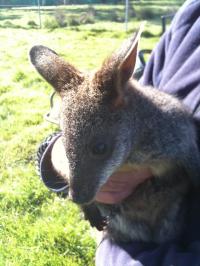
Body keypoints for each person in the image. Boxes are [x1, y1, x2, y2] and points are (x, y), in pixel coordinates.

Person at [37, 0, 200, 264]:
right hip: (122, 230)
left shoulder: (160, 128)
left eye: (101, 148)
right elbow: (64, 148)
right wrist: (60, 156)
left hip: (167, 229)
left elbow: (187, 151)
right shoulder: (192, 17)